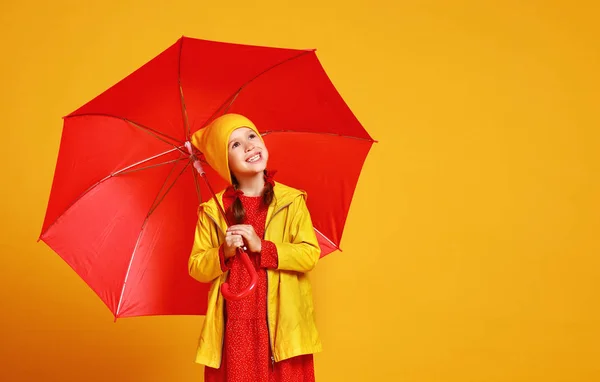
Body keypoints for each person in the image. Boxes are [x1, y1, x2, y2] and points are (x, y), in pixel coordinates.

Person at [188, 113, 322, 381]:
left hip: (283, 328)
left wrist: (263, 246)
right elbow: (197, 268)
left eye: (251, 136)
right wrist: (223, 252)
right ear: (223, 163)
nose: (249, 145)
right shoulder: (213, 212)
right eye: (234, 144)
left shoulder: (292, 201)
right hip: (236, 326)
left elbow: (309, 255)